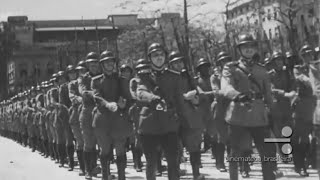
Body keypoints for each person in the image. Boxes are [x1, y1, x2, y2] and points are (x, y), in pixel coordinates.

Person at [221, 34, 277, 180]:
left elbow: (268, 93)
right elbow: (225, 86)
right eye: (245, 47)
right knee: (235, 154)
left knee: (266, 153)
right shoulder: (231, 68)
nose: (248, 49)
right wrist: (236, 95)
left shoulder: (262, 69)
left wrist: (272, 112)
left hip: (258, 116)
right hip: (238, 115)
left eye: (251, 46)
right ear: (239, 49)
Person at [136, 43, 185, 180]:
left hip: (169, 124)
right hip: (148, 125)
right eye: (155, 55)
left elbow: (179, 101)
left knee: (173, 162)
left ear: (166, 57)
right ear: (150, 58)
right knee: (151, 163)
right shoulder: (143, 76)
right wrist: (153, 98)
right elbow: (140, 92)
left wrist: (184, 123)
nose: (159, 58)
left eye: (161, 54)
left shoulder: (174, 76)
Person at [91, 50, 131, 180]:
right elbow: (97, 96)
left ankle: (121, 176)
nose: (109, 64)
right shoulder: (96, 81)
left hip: (118, 120)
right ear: (102, 64)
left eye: (111, 62)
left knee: (120, 150)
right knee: (105, 150)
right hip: (102, 120)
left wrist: (124, 105)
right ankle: (105, 176)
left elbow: (129, 98)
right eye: (106, 62)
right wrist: (107, 104)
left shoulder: (122, 80)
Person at [168, 51, 205, 180]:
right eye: (175, 62)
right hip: (173, 116)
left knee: (193, 147)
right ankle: (175, 174)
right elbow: (167, 96)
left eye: (180, 62)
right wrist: (184, 97)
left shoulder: (187, 76)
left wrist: (195, 98)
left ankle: (196, 173)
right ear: (170, 64)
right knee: (175, 148)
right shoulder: (167, 77)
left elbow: (198, 93)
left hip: (189, 116)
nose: (178, 65)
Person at [78, 52, 101, 180]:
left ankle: (97, 167)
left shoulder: (103, 76)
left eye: (95, 63)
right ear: (87, 65)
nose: (93, 65)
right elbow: (83, 92)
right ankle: (88, 170)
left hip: (101, 111)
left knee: (103, 141)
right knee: (88, 142)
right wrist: (97, 93)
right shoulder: (83, 78)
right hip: (87, 112)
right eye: (91, 63)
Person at [68, 64, 86, 176]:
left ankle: (91, 166)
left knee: (91, 142)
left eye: (82, 71)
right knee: (80, 142)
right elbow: (72, 97)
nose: (77, 74)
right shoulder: (72, 84)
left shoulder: (88, 81)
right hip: (76, 114)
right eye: (76, 72)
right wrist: (83, 99)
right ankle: (82, 167)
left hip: (88, 114)